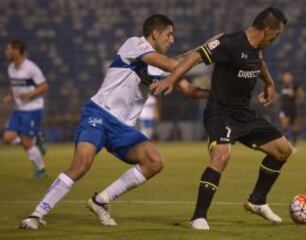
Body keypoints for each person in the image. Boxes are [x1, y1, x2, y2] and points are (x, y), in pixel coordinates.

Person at [20, 14, 210, 229]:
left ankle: (101, 201)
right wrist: (208, 49)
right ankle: (37, 214)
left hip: (123, 128)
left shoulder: (162, 68)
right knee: (82, 163)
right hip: (99, 114)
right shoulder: (135, 44)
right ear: (155, 33)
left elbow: (188, 89)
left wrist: (214, 94)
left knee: (154, 162)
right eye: (169, 34)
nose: (172, 39)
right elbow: (173, 63)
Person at [150, 7, 292, 230]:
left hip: (244, 114)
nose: (277, 38)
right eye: (277, 34)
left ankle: (257, 200)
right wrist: (171, 80)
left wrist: (270, 83)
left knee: (283, 150)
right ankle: (198, 217)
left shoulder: (258, 48)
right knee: (221, 156)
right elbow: (195, 57)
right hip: (221, 113)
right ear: (266, 30)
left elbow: (260, 62)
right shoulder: (230, 43)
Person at [3, 39, 48, 178]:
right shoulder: (11, 68)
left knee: (26, 143)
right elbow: (13, 85)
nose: (6, 52)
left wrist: (29, 94)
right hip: (18, 109)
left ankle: (41, 170)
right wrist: (10, 96)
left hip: (32, 108)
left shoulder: (31, 68)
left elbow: (44, 87)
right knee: (7, 138)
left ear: (16, 51)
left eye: (8, 49)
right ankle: (36, 139)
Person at [278, 72, 305, 146]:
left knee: (294, 127)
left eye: (288, 77)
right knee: (284, 125)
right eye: (285, 77)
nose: (286, 78)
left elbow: (302, 94)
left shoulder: (295, 86)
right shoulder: (280, 86)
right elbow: (278, 96)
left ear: (291, 78)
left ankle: (294, 144)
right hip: (283, 108)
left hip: (292, 107)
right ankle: (286, 145)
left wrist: (295, 92)